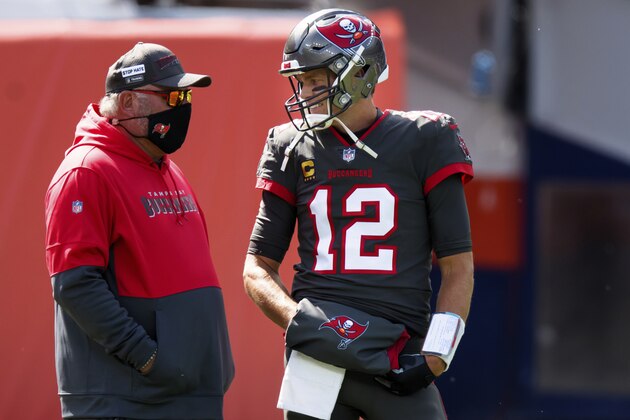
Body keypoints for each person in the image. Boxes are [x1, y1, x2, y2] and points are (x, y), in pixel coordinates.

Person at [243, 9, 474, 420]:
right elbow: (257, 268)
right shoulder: (290, 144)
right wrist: (308, 325)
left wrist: (437, 356)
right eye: (303, 80)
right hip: (316, 360)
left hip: (399, 351)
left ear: (361, 73)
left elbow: (458, 267)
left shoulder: (425, 138)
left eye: (318, 79)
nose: (306, 91)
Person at [44, 42, 234, 419]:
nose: (183, 105)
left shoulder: (164, 165)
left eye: (186, 95)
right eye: (171, 95)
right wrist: (148, 358)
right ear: (129, 103)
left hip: (187, 393)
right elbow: (75, 284)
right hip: (128, 401)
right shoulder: (86, 172)